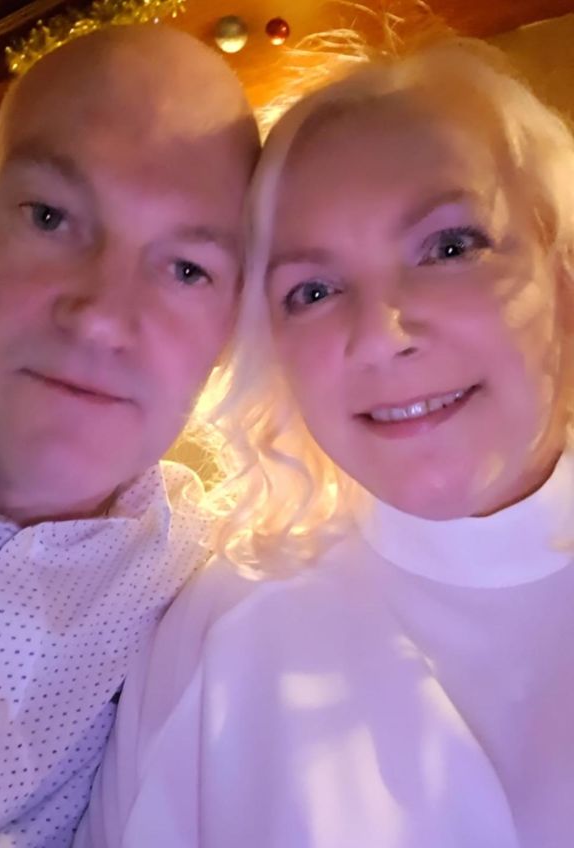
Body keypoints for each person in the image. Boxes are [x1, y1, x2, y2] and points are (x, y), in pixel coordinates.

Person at [79, 36, 574, 848]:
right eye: (312, 290)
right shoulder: (220, 628)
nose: (379, 335)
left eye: (450, 247)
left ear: (561, 273)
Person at [0, 23, 259, 846]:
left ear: (232, 331)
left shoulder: (214, 572)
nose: (102, 318)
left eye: (187, 269)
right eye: (50, 217)